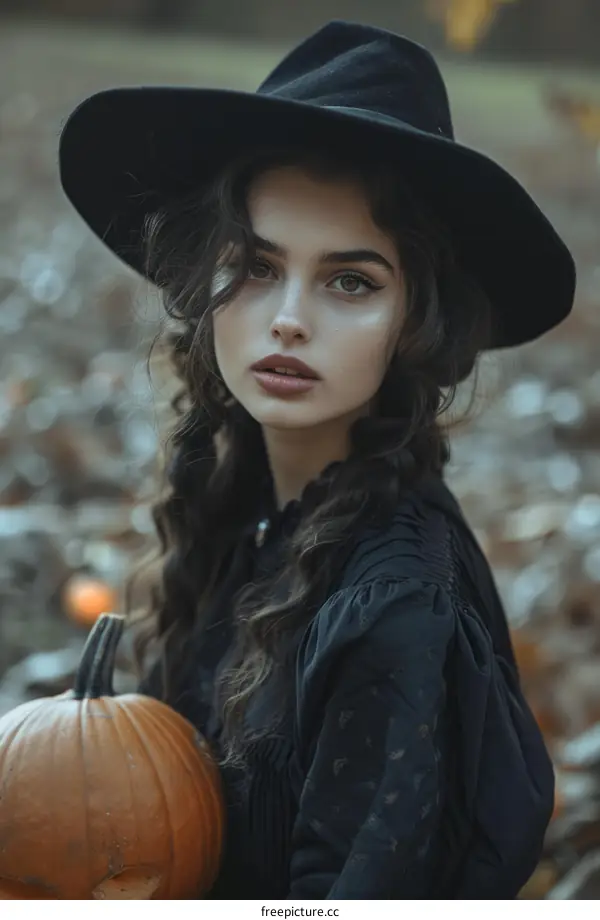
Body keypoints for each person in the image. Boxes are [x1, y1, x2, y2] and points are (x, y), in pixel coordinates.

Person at [58, 20, 576, 899]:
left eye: (351, 282)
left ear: (415, 323)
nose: (290, 319)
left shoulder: (398, 611)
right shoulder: (242, 504)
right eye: (257, 268)